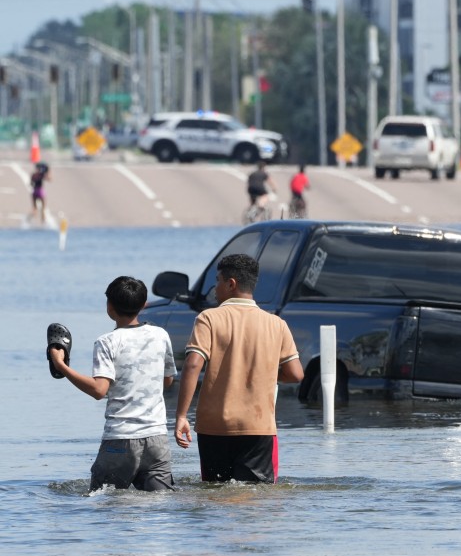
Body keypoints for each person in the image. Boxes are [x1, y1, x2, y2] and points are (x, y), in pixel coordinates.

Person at [174, 254, 304, 484]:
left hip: (214, 427)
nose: (215, 288)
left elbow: (193, 364)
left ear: (231, 283)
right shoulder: (276, 324)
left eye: (217, 281)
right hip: (259, 426)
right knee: (257, 499)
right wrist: (262, 374)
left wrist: (181, 415)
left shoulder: (208, 318)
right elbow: (295, 374)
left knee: (215, 495)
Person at [48, 276, 177, 492]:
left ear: (110, 307)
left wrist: (61, 365)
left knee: (103, 502)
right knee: (160, 505)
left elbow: (99, 390)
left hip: (120, 439)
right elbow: (168, 380)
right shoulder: (160, 335)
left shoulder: (107, 342)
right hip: (157, 438)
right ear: (144, 304)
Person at [30, 161, 50, 226]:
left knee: (34, 208)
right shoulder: (42, 174)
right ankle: (43, 222)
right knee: (43, 208)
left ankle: (31, 221)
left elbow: (31, 184)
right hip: (40, 191)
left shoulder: (33, 175)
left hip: (34, 191)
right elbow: (49, 179)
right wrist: (48, 171)